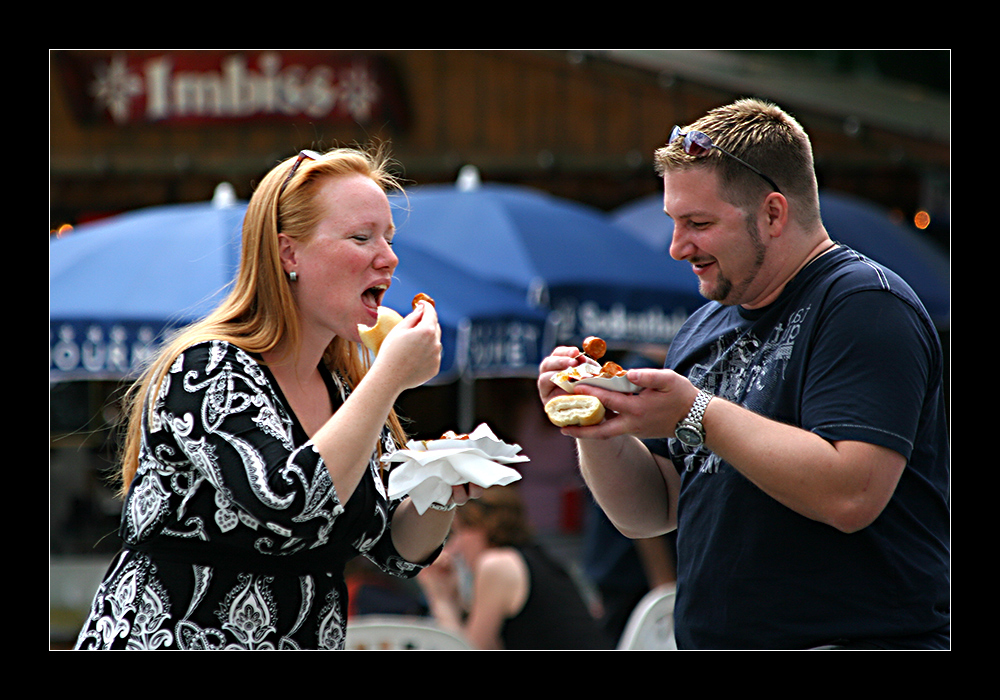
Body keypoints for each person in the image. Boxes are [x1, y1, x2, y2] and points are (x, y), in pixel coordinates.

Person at [537, 99, 950, 649]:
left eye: (699, 223)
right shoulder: (702, 326)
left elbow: (852, 494)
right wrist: (595, 424)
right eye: (674, 222)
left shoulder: (864, 304)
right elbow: (651, 510)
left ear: (774, 213)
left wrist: (697, 412)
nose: (677, 247)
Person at [75, 146, 482, 650]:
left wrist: (440, 486)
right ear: (289, 254)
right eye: (361, 237)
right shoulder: (208, 367)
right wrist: (389, 378)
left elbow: (394, 549)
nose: (389, 257)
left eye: (389, 238)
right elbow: (289, 501)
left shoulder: (343, 390)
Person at [416, 485, 614, 649]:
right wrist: (453, 597)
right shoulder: (534, 557)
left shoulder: (497, 564)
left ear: (483, 526)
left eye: (457, 532)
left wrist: (440, 599)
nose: (453, 548)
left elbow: (469, 649)